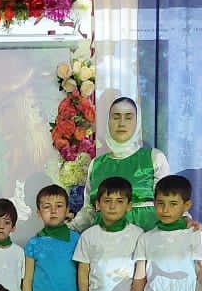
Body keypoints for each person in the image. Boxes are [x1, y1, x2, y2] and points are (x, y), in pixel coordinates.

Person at [72, 96, 170, 232]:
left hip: (145, 238)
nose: (121, 123)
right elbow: (88, 211)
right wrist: (69, 229)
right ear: (108, 122)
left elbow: (169, 201)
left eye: (128, 117)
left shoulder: (154, 158)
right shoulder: (96, 164)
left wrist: (186, 220)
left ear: (137, 122)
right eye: (116, 117)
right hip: (104, 239)